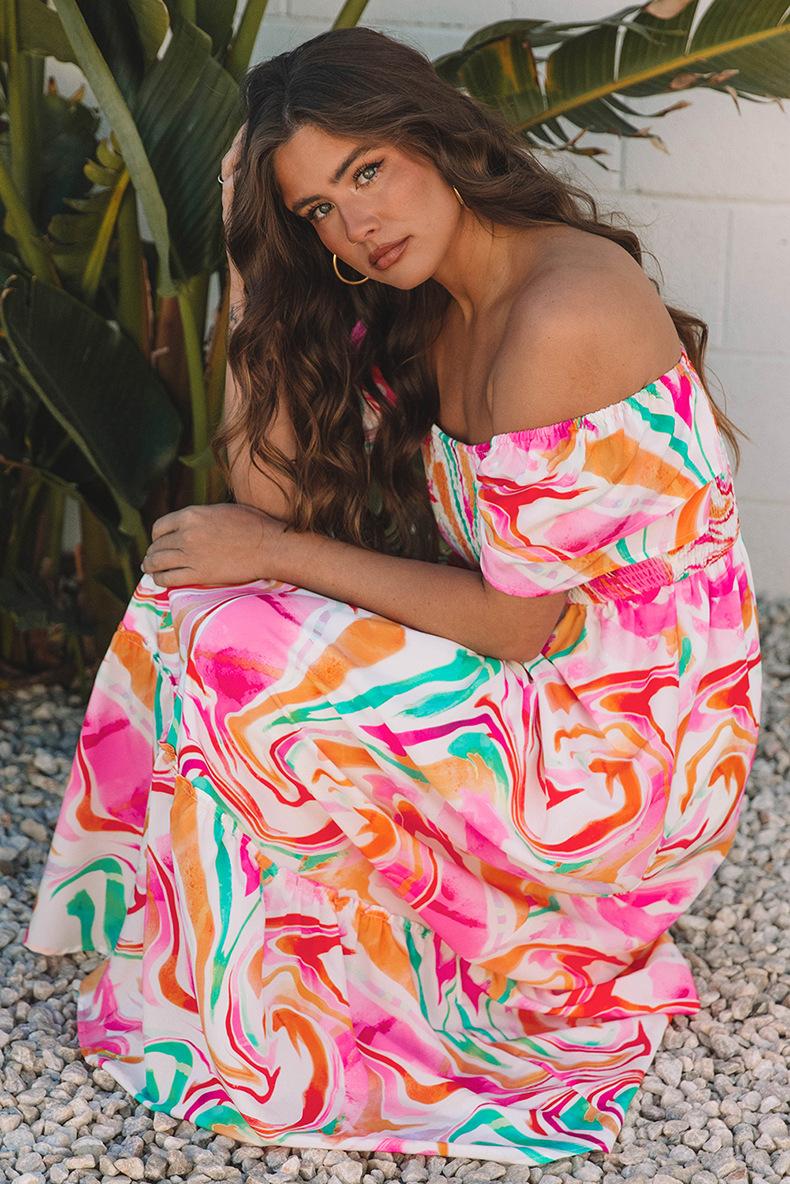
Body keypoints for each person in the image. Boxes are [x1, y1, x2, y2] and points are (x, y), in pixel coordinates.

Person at [23, 25, 761, 1168]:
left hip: (621, 760)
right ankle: (275, 996)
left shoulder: (554, 309)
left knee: (236, 631)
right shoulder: (437, 298)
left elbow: (518, 619)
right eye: (317, 208)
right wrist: (252, 274)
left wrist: (276, 552)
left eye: (366, 170)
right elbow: (267, 492)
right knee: (192, 608)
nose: (354, 222)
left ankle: (308, 1020)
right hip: (551, 687)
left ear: (436, 139)